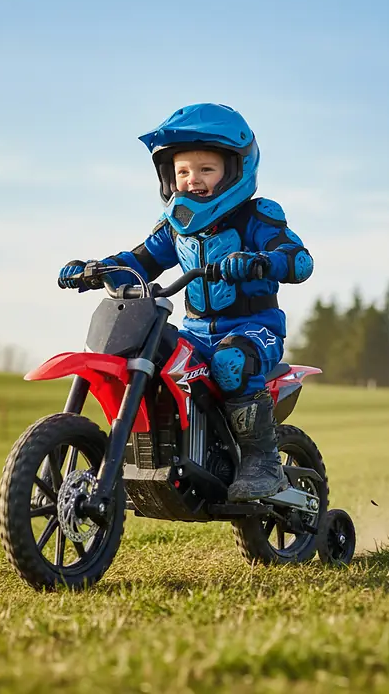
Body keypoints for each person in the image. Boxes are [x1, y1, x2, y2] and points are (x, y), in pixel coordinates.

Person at [58, 103, 314, 501]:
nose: (192, 180)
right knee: (151, 347)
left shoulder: (257, 217)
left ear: (235, 170)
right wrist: (98, 269)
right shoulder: (173, 229)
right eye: (182, 171)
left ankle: (262, 461)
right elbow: (139, 261)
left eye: (206, 170)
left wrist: (261, 262)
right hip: (197, 333)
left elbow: (299, 260)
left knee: (231, 363)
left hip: (254, 329)